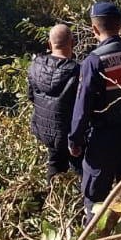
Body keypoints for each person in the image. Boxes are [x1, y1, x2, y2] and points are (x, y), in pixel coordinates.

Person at [69, 1, 121, 217]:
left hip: (104, 139)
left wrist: (75, 139)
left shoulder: (94, 62)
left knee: (95, 199)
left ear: (94, 29)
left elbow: (82, 106)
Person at [27, 23, 81, 183]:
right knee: (81, 169)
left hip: (45, 130)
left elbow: (31, 96)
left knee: (55, 163)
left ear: (50, 44)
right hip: (70, 134)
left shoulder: (35, 66)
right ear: (73, 42)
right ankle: (83, 202)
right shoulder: (77, 71)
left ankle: (52, 195)